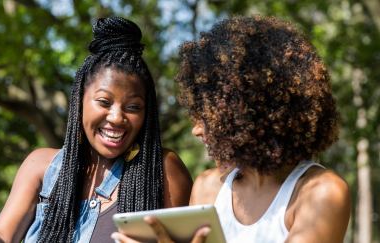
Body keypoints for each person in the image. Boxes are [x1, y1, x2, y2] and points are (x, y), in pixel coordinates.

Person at [112, 16, 351, 243]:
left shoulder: (320, 192)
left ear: (247, 115)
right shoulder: (208, 188)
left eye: (207, 116)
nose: (196, 130)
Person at [0, 16, 192, 243]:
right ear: (79, 102)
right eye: (104, 102)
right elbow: (2, 238)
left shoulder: (162, 170)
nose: (117, 117)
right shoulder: (41, 167)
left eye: (133, 107)